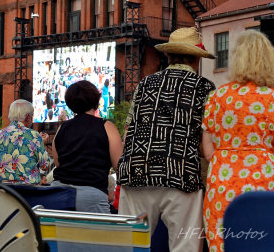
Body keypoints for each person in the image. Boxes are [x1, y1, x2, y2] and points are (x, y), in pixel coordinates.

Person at [117, 27, 216, 251]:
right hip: (181, 173)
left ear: (169, 56)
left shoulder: (144, 84)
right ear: (197, 59)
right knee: (185, 246)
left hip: (136, 170)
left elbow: (127, 130)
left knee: (129, 247)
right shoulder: (205, 88)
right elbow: (205, 142)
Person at [202, 30, 274, 252]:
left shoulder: (217, 97)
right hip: (266, 181)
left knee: (224, 243)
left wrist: (228, 158)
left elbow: (207, 150)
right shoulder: (272, 98)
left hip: (222, 182)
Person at [52, 80, 123, 213]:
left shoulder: (62, 128)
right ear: (95, 100)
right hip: (92, 196)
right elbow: (119, 166)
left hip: (59, 193)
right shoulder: (107, 127)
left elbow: (58, 163)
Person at [0, 99, 51, 184]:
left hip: (3, 190)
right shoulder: (33, 135)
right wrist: (43, 144)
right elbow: (45, 166)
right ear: (27, 117)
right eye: (32, 115)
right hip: (27, 192)